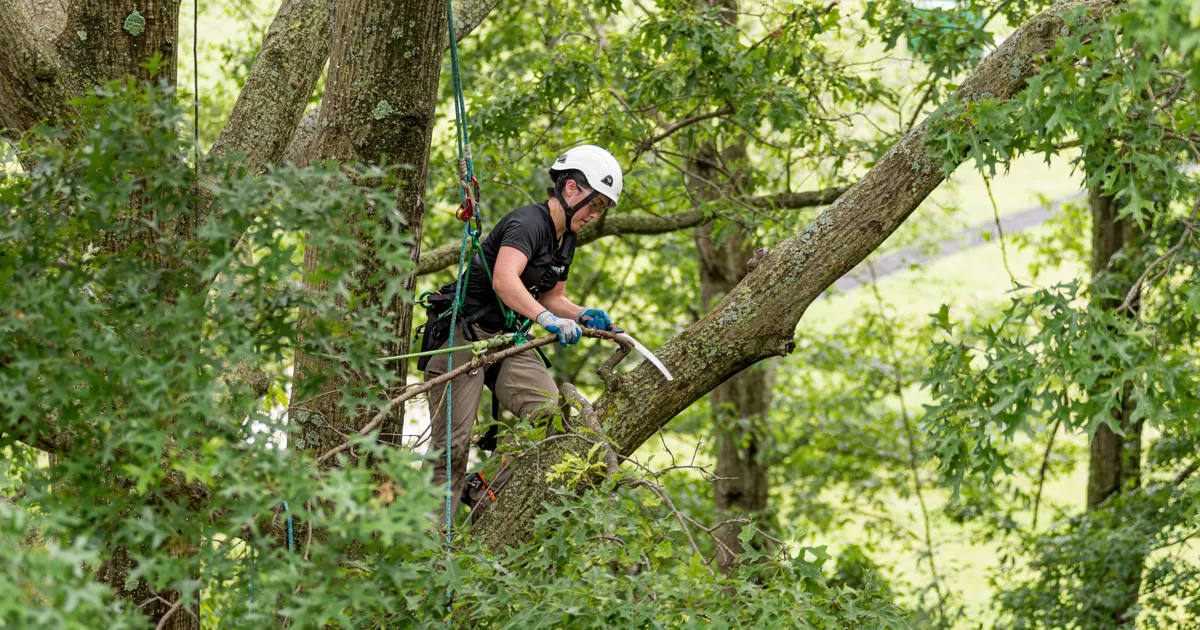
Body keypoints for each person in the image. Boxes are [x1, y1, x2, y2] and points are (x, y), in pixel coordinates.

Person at [420, 145, 623, 526]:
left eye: (603, 210)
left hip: (506, 338)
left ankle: (482, 485)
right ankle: (431, 548)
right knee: (452, 447)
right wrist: (547, 319)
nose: (596, 215)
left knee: (552, 421)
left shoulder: (566, 239)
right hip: (463, 334)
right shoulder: (529, 223)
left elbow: (553, 295)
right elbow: (504, 280)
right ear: (571, 189)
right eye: (595, 204)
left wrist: (582, 315)